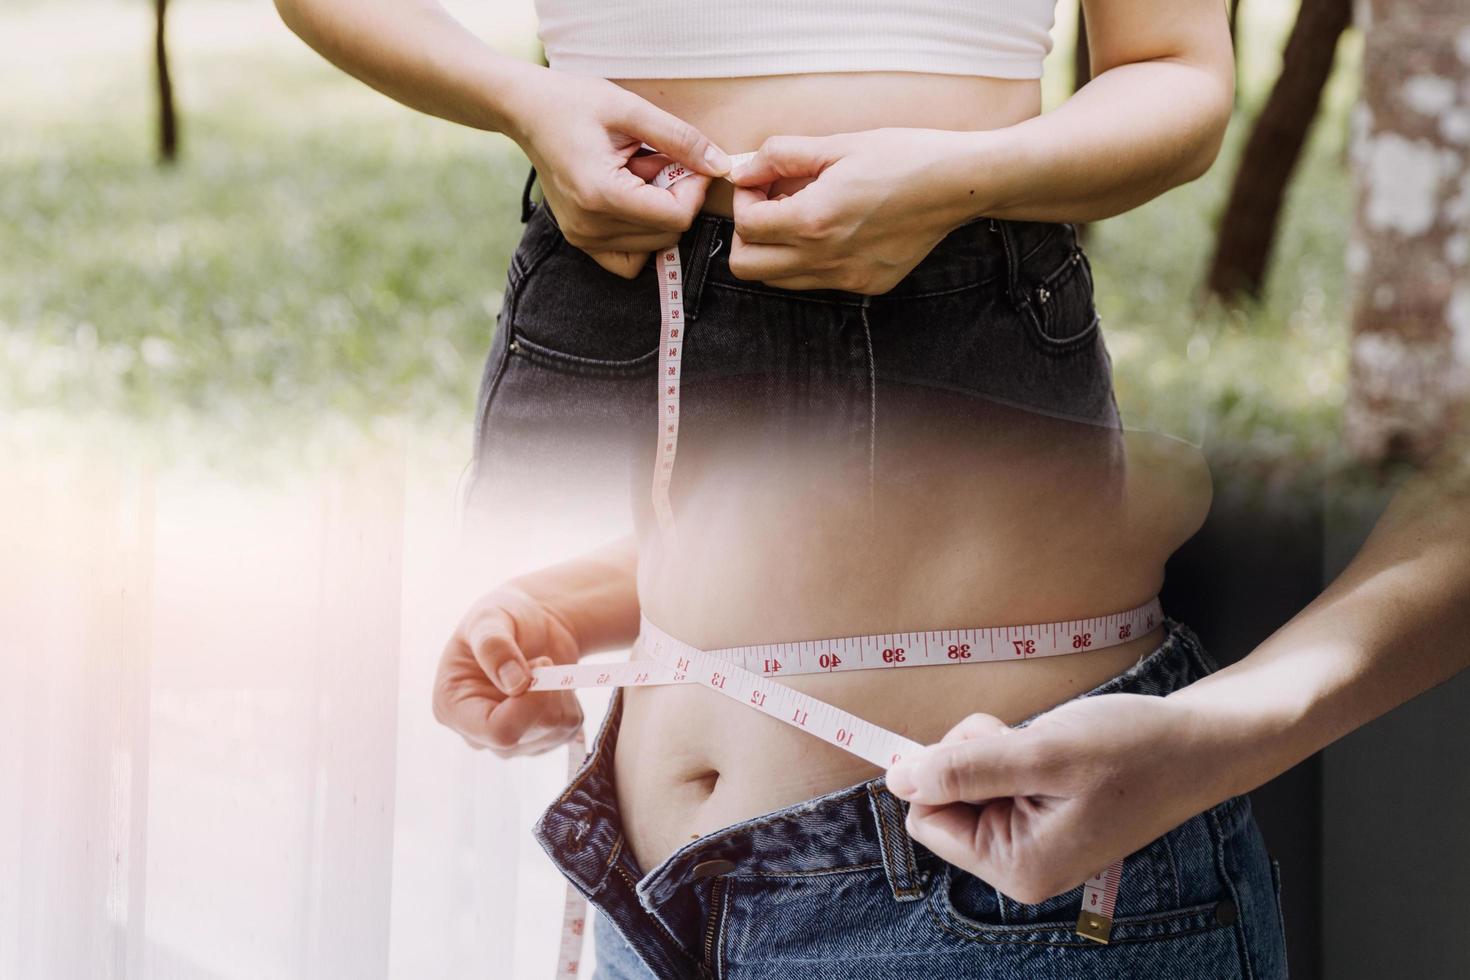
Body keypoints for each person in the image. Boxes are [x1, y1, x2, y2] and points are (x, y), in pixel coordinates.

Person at [275, 1, 1469, 976]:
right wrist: (520, 97)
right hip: (645, 890)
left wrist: (962, 178)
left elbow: (1174, 73)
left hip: (996, 897)